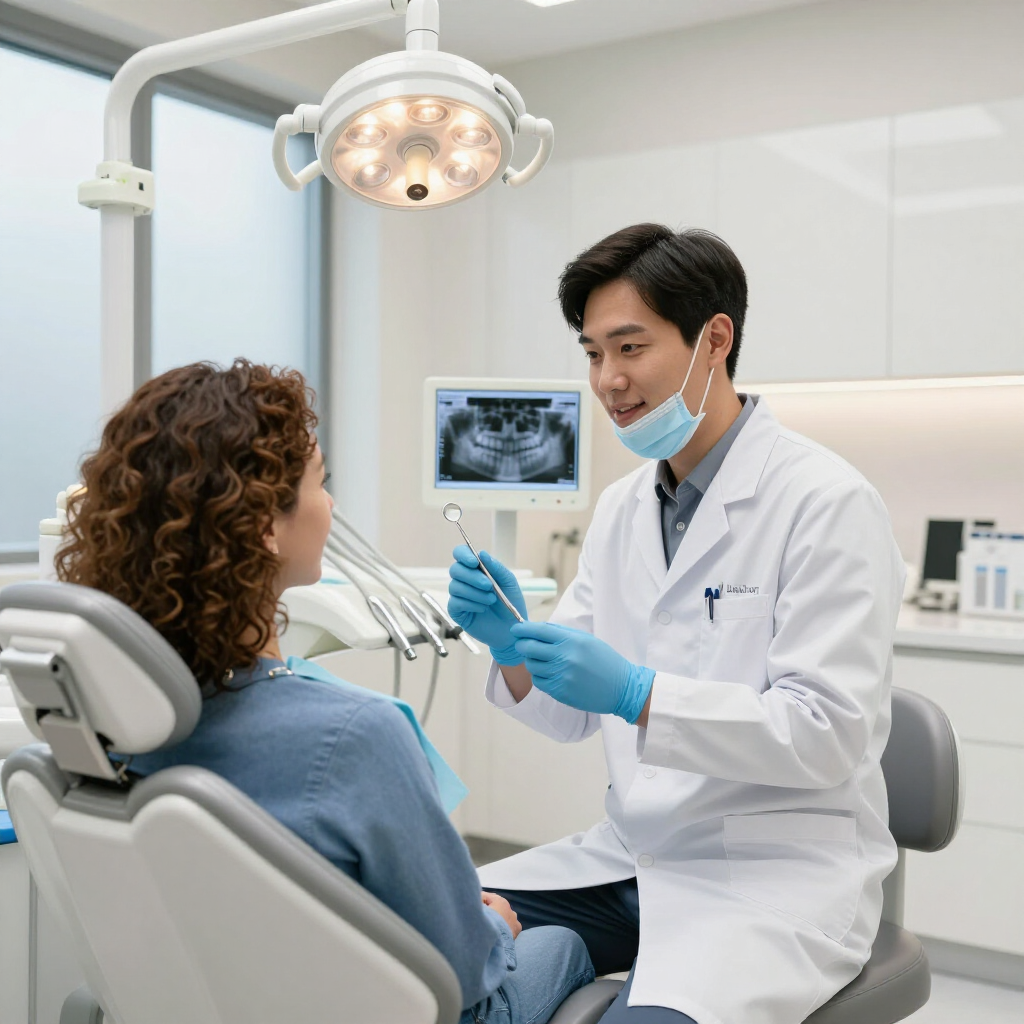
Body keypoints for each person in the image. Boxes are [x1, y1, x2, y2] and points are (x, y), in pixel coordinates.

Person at [448, 225, 906, 1024]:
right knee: (423, 938)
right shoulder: (625, 507)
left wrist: (639, 694)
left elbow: (827, 732)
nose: (609, 380)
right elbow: (567, 714)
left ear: (714, 341)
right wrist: (510, 644)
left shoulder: (826, 503)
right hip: (628, 856)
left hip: (766, 878)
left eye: (630, 347)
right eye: (592, 353)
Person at [57, 359, 594, 1024]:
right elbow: (465, 971)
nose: (332, 504)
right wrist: (499, 931)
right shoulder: (355, 736)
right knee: (559, 942)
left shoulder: (109, 721)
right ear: (264, 526)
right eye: (321, 483)